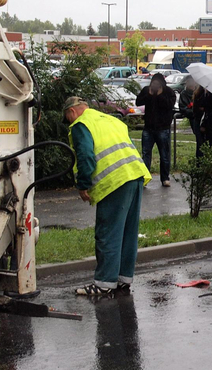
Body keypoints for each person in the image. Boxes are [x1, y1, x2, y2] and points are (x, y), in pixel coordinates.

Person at [64, 97, 152, 296]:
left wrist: (83, 184)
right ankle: (123, 279)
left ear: (72, 112)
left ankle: (104, 283)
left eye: (67, 118)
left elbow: (85, 156)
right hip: (135, 174)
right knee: (128, 232)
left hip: (115, 181)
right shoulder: (110, 119)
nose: (69, 122)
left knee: (108, 232)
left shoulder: (80, 124)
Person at [136, 73, 176, 187]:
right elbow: (138, 102)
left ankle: (165, 178)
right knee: (146, 153)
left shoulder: (168, 92)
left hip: (163, 128)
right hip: (148, 128)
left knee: (164, 154)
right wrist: (149, 95)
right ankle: (145, 177)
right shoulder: (146, 90)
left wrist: (159, 95)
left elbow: (170, 105)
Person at [179, 76, 202, 158]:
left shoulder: (200, 92)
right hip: (194, 119)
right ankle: (199, 160)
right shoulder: (184, 94)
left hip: (202, 119)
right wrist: (194, 112)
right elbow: (183, 108)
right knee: (199, 140)